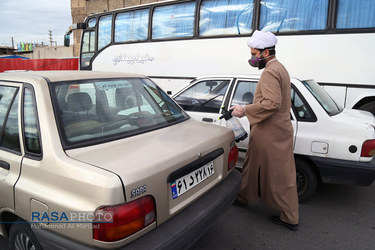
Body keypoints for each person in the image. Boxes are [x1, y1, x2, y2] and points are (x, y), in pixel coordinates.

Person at [231, 30, 299, 231]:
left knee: (280, 176)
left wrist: (244, 109)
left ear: (266, 52)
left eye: (254, 55)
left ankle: (290, 217)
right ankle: (244, 197)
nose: (252, 59)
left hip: (271, 133)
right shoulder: (279, 68)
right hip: (273, 132)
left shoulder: (270, 71)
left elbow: (271, 103)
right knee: (252, 166)